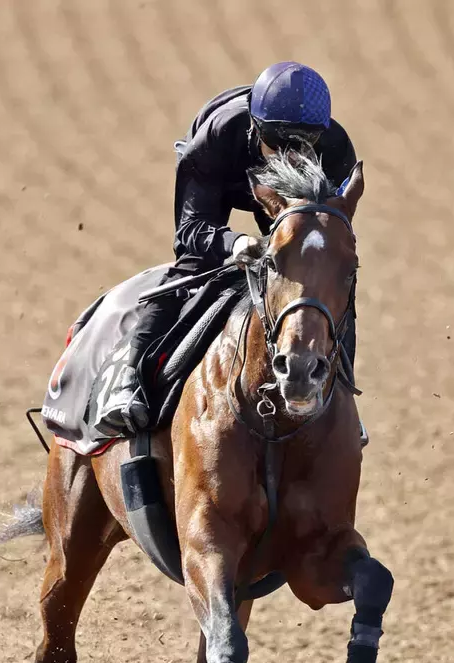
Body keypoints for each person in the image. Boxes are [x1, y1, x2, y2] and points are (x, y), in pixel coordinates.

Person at [94, 61, 358, 435]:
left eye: (304, 143)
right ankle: (127, 378)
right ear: (256, 129)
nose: (292, 156)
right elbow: (190, 231)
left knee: (329, 276)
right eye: (280, 142)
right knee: (194, 266)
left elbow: (330, 239)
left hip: (292, 202)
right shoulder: (219, 136)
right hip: (226, 173)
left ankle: (341, 394)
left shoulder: (334, 149)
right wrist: (234, 242)